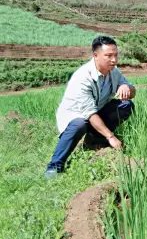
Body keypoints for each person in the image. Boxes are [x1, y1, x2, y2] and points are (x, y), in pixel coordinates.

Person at [44, 36, 136, 179]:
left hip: (97, 112)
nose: (114, 59)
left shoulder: (114, 71)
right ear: (95, 55)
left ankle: (95, 139)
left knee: (126, 105)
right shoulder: (83, 77)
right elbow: (89, 113)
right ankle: (55, 166)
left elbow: (133, 93)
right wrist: (111, 137)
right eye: (109, 56)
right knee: (80, 123)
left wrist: (126, 86)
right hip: (76, 116)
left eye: (116, 55)